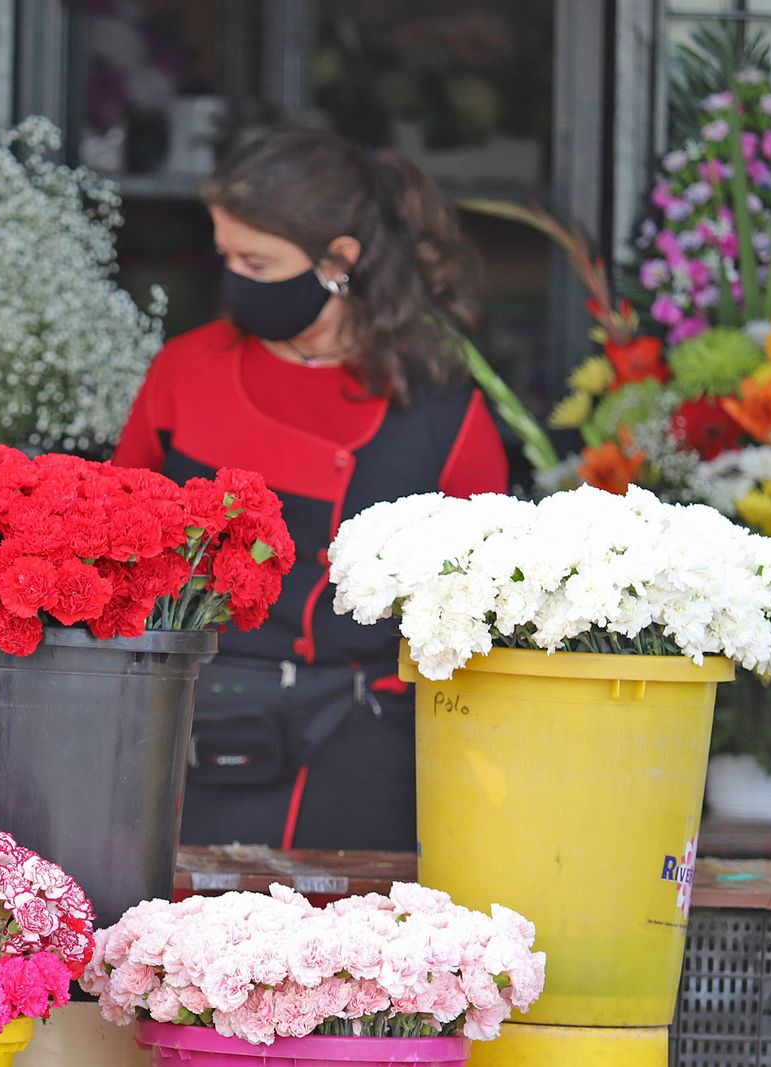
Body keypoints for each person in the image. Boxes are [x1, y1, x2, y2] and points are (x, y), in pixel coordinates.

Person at [112, 126, 508, 852]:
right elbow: (113, 547)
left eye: (256, 261)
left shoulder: (441, 406)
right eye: (224, 254)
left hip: (362, 758)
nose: (232, 277)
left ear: (338, 262)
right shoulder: (185, 369)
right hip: (187, 739)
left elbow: (480, 615)